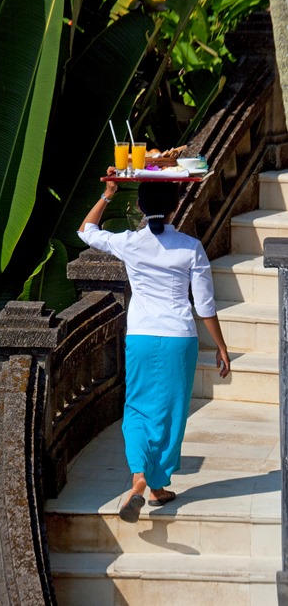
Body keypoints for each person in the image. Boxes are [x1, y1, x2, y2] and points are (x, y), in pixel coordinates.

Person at [77, 168, 231, 523]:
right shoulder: (191, 248)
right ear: (176, 206)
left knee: (137, 408)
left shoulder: (130, 242)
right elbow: (204, 305)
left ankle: (140, 478)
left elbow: (86, 231)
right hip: (179, 338)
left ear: (140, 207)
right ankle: (157, 483)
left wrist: (108, 194)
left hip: (142, 336)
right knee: (171, 412)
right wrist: (221, 347)